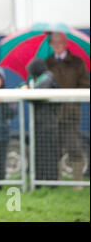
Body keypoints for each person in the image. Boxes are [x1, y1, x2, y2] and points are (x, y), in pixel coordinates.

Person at [45, 32, 90, 189]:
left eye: (60, 42)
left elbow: (85, 85)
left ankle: (78, 183)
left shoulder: (77, 63)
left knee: (74, 146)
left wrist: (70, 96)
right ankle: (56, 182)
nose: (57, 46)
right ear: (50, 44)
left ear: (65, 43)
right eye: (53, 43)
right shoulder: (47, 63)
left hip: (71, 112)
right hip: (52, 113)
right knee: (53, 148)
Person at [26, 58, 60, 183]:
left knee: (48, 154)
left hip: (47, 124)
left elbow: (34, 98)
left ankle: (50, 182)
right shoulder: (45, 79)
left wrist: (27, 91)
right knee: (40, 154)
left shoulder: (47, 79)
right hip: (42, 123)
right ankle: (40, 181)